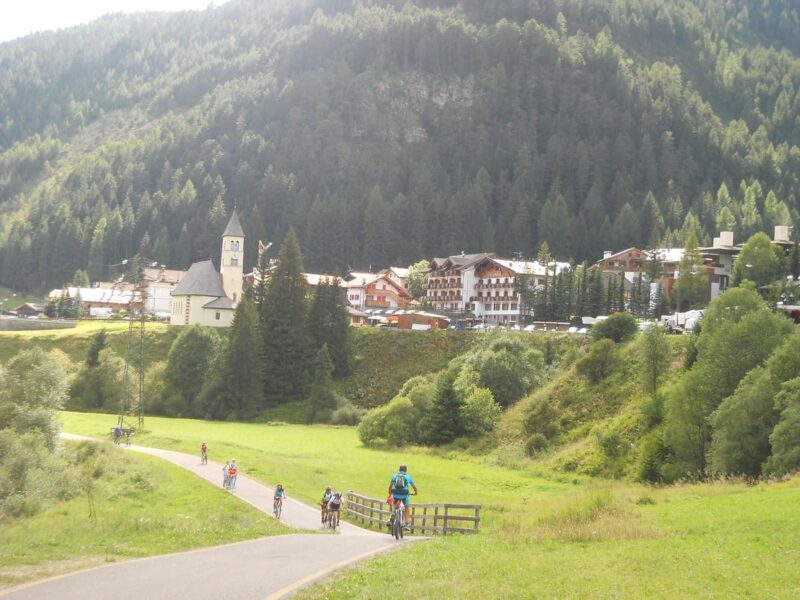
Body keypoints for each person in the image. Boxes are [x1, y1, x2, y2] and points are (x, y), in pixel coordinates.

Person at [388, 464, 417, 529]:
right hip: (404, 495)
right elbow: (414, 487)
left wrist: (390, 493)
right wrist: (415, 493)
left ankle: (393, 513)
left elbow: (390, 486)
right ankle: (406, 524)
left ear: (399, 469)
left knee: (393, 504)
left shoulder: (394, 476)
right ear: (406, 470)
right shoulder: (408, 476)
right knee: (406, 507)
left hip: (395, 494)